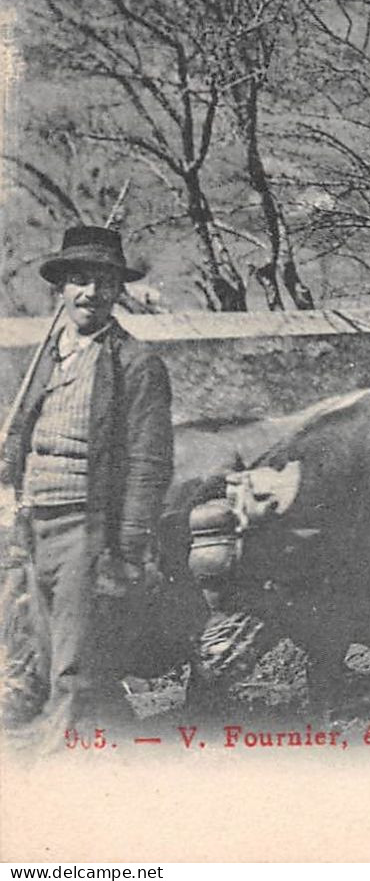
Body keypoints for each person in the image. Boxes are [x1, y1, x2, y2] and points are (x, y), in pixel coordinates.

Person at [0, 227, 173, 733]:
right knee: (54, 647)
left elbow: (149, 463)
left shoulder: (136, 364)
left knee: (76, 661)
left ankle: (64, 763)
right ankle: (109, 743)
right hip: (37, 522)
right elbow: (24, 435)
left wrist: (128, 545)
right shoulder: (46, 357)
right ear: (61, 290)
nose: (90, 294)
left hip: (88, 526)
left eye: (102, 282)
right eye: (79, 281)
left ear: (118, 291)